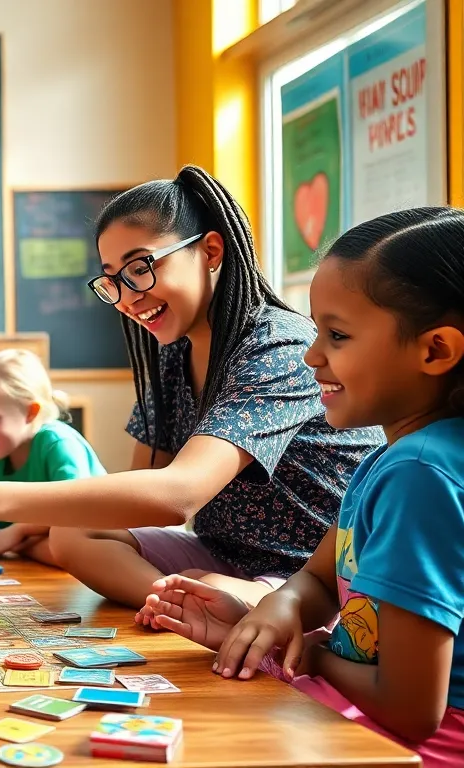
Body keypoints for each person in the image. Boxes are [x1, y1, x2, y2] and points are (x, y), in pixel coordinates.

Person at [0, 166, 382, 610]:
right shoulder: (173, 355)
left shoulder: (276, 347)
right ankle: (193, 607)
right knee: (74, 536)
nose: (128, 297)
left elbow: (176, 495)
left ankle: (235, 608)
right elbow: (136, 493)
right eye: (113, 279)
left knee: (202, 581)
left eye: (141, 268)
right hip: (223, 554)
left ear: (211, 251)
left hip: (310, 575)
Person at [141, 208, 464, 765]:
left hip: (416, 746)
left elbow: (412, 708)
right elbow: (317, 577)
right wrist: (272, 611)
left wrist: (303, 654)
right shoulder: (393, 458)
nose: (313, 355)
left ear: (434, 350)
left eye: (336, 335)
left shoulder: (421, 475)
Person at [0, 349, 105, 566]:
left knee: (66, 546)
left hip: (92, 541)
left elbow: (73, 510)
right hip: (41, 547)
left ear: (30, 412)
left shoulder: (58, 443)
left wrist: (16, 533)